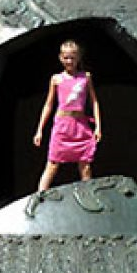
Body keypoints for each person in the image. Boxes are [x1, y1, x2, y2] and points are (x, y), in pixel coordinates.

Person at [33, 40, 102, 192]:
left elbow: (94, 101)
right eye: (66, 57)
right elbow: (48, 105)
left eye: (72, 57)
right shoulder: (56, 79)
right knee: (52, 163)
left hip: (80, 125)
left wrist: (98, 126)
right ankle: (39, 195)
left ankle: (88, 193)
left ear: (78, 58)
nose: (69, 61)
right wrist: (39, 130)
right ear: (61, 58)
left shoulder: (86, 77)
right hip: (62, 125)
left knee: (85, 164)